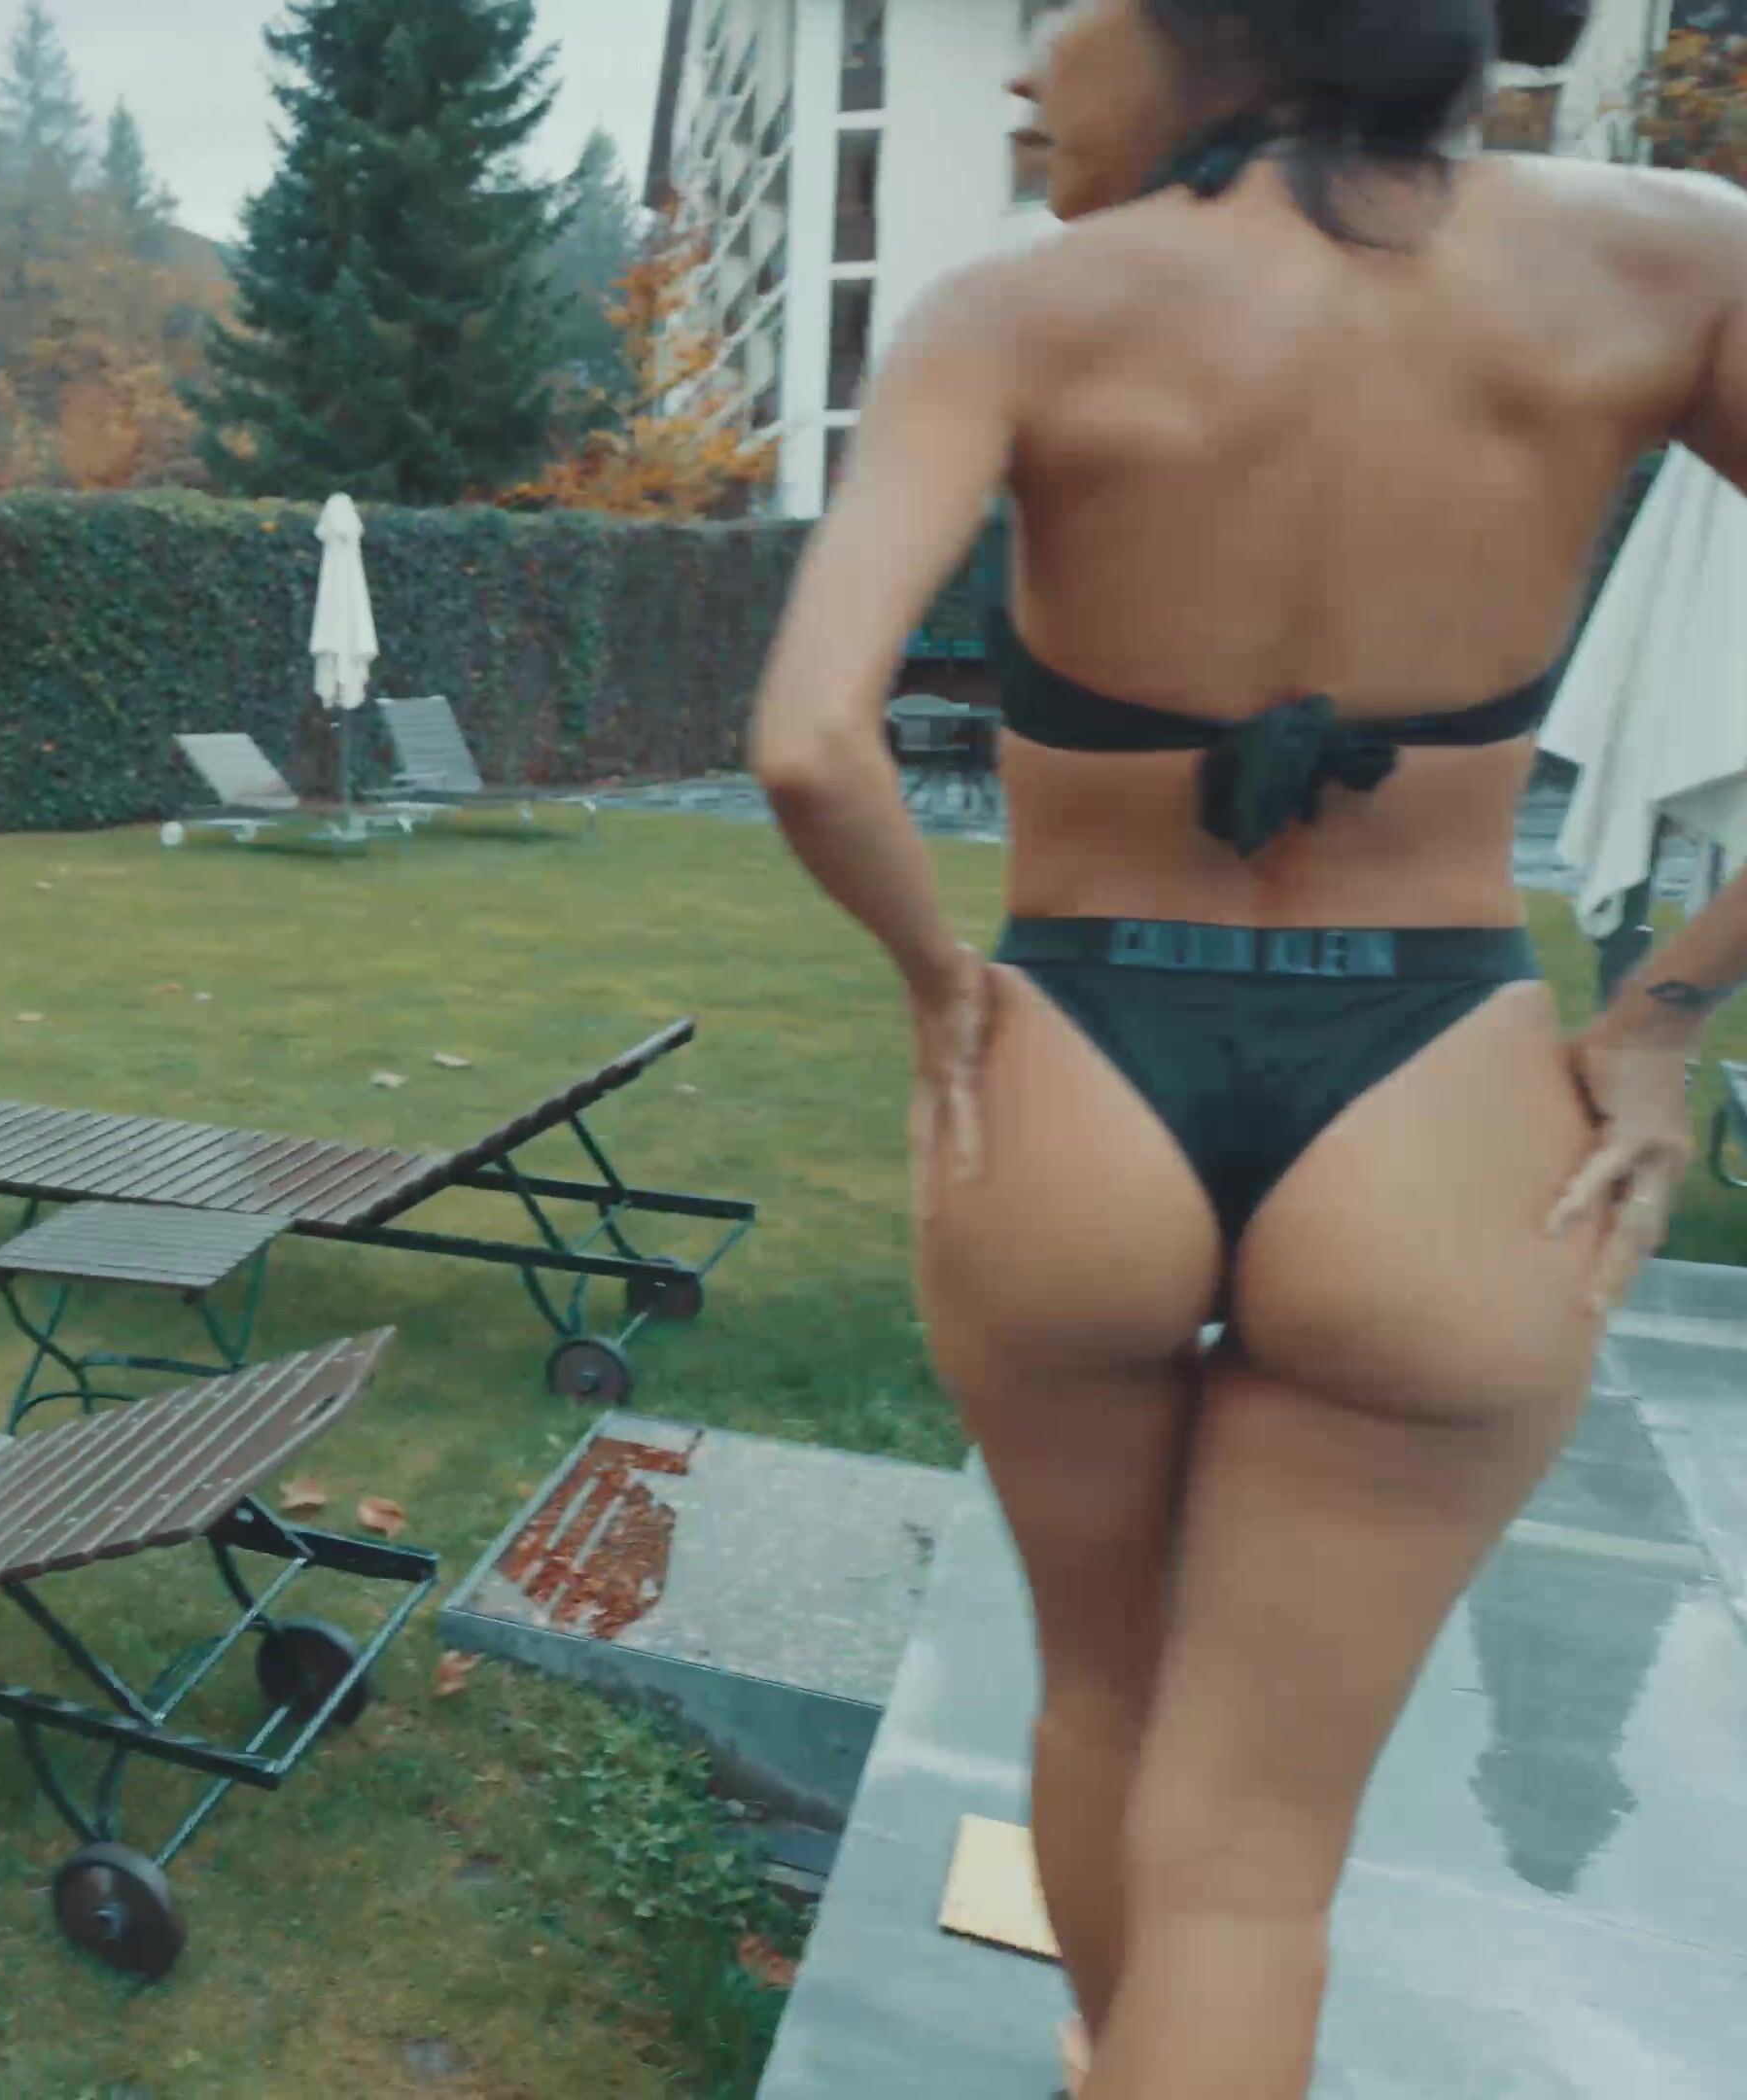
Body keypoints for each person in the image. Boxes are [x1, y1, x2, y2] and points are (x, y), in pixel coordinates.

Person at [746, 2, 1747, 2093]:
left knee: (1098, 1701)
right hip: (1445, 1103)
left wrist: (936, 981)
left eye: (1062, 3)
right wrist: (1662, 1020)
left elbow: (813, 743)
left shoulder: (1013, 312)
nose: (1027, 66)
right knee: (1255, 1871)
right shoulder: (1676, 257)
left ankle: (1106, 2056)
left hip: (1073, 1079)